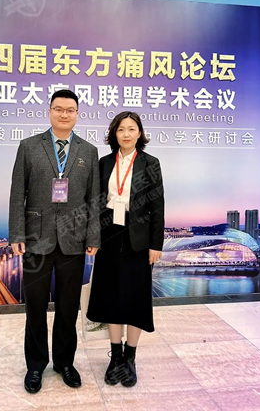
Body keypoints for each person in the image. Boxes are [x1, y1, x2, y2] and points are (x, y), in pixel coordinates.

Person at [9, 89, 100, 393]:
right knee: (35, 307)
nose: (64, 114)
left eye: (70, 110)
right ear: (49, 111)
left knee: (68, 307)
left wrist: (93, 236)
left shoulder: (88, 151)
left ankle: (64, 362)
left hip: (74, 239)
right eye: (58, 109)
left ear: (77, 114)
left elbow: (94, 197)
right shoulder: (29, 147)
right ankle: (35, 365)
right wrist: (17, 234)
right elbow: (17, 193)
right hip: (35, 239)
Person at [87, 111, 164, 387]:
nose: (126, 134)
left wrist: (156, 244)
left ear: (139, 133)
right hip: (109, 235)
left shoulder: (150, 163)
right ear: (114, 134)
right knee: (111, 295)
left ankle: (130, 358)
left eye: (132, 129)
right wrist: (92, 237)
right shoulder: (104, 162)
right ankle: (115, 356)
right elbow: (96, 204)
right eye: (121, 129)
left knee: (135, 297)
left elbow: (158, 207)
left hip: (138, 239)